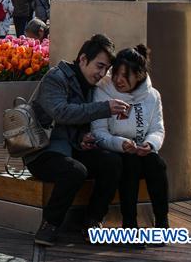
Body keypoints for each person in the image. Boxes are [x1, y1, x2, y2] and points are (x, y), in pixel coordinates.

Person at [25, 34, 129, 247]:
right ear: (82, 59)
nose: (102, 74)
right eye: (99, 66)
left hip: (71, 148)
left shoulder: (92, 86)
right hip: (42, 151)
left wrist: (84, 138)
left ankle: (93, 221)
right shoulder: (56, 78)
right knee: (75, 171)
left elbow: (76, 124)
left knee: (112, 161)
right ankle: (49, 225)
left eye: (106, 69)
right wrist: (105, 108)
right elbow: (61, 113)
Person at [92, 45, 168, 231]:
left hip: (142, 150)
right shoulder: (103, 91)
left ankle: (162, 222)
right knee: (130, 165)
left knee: (156, 163)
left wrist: (150, 145)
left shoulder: (152, 95)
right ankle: (130, 225)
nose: (119, 80)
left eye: (126, 75)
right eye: (116, 73)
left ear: (140, 75)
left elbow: (158, 129)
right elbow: (99, 131)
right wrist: (120, 144)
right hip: (116, 151)